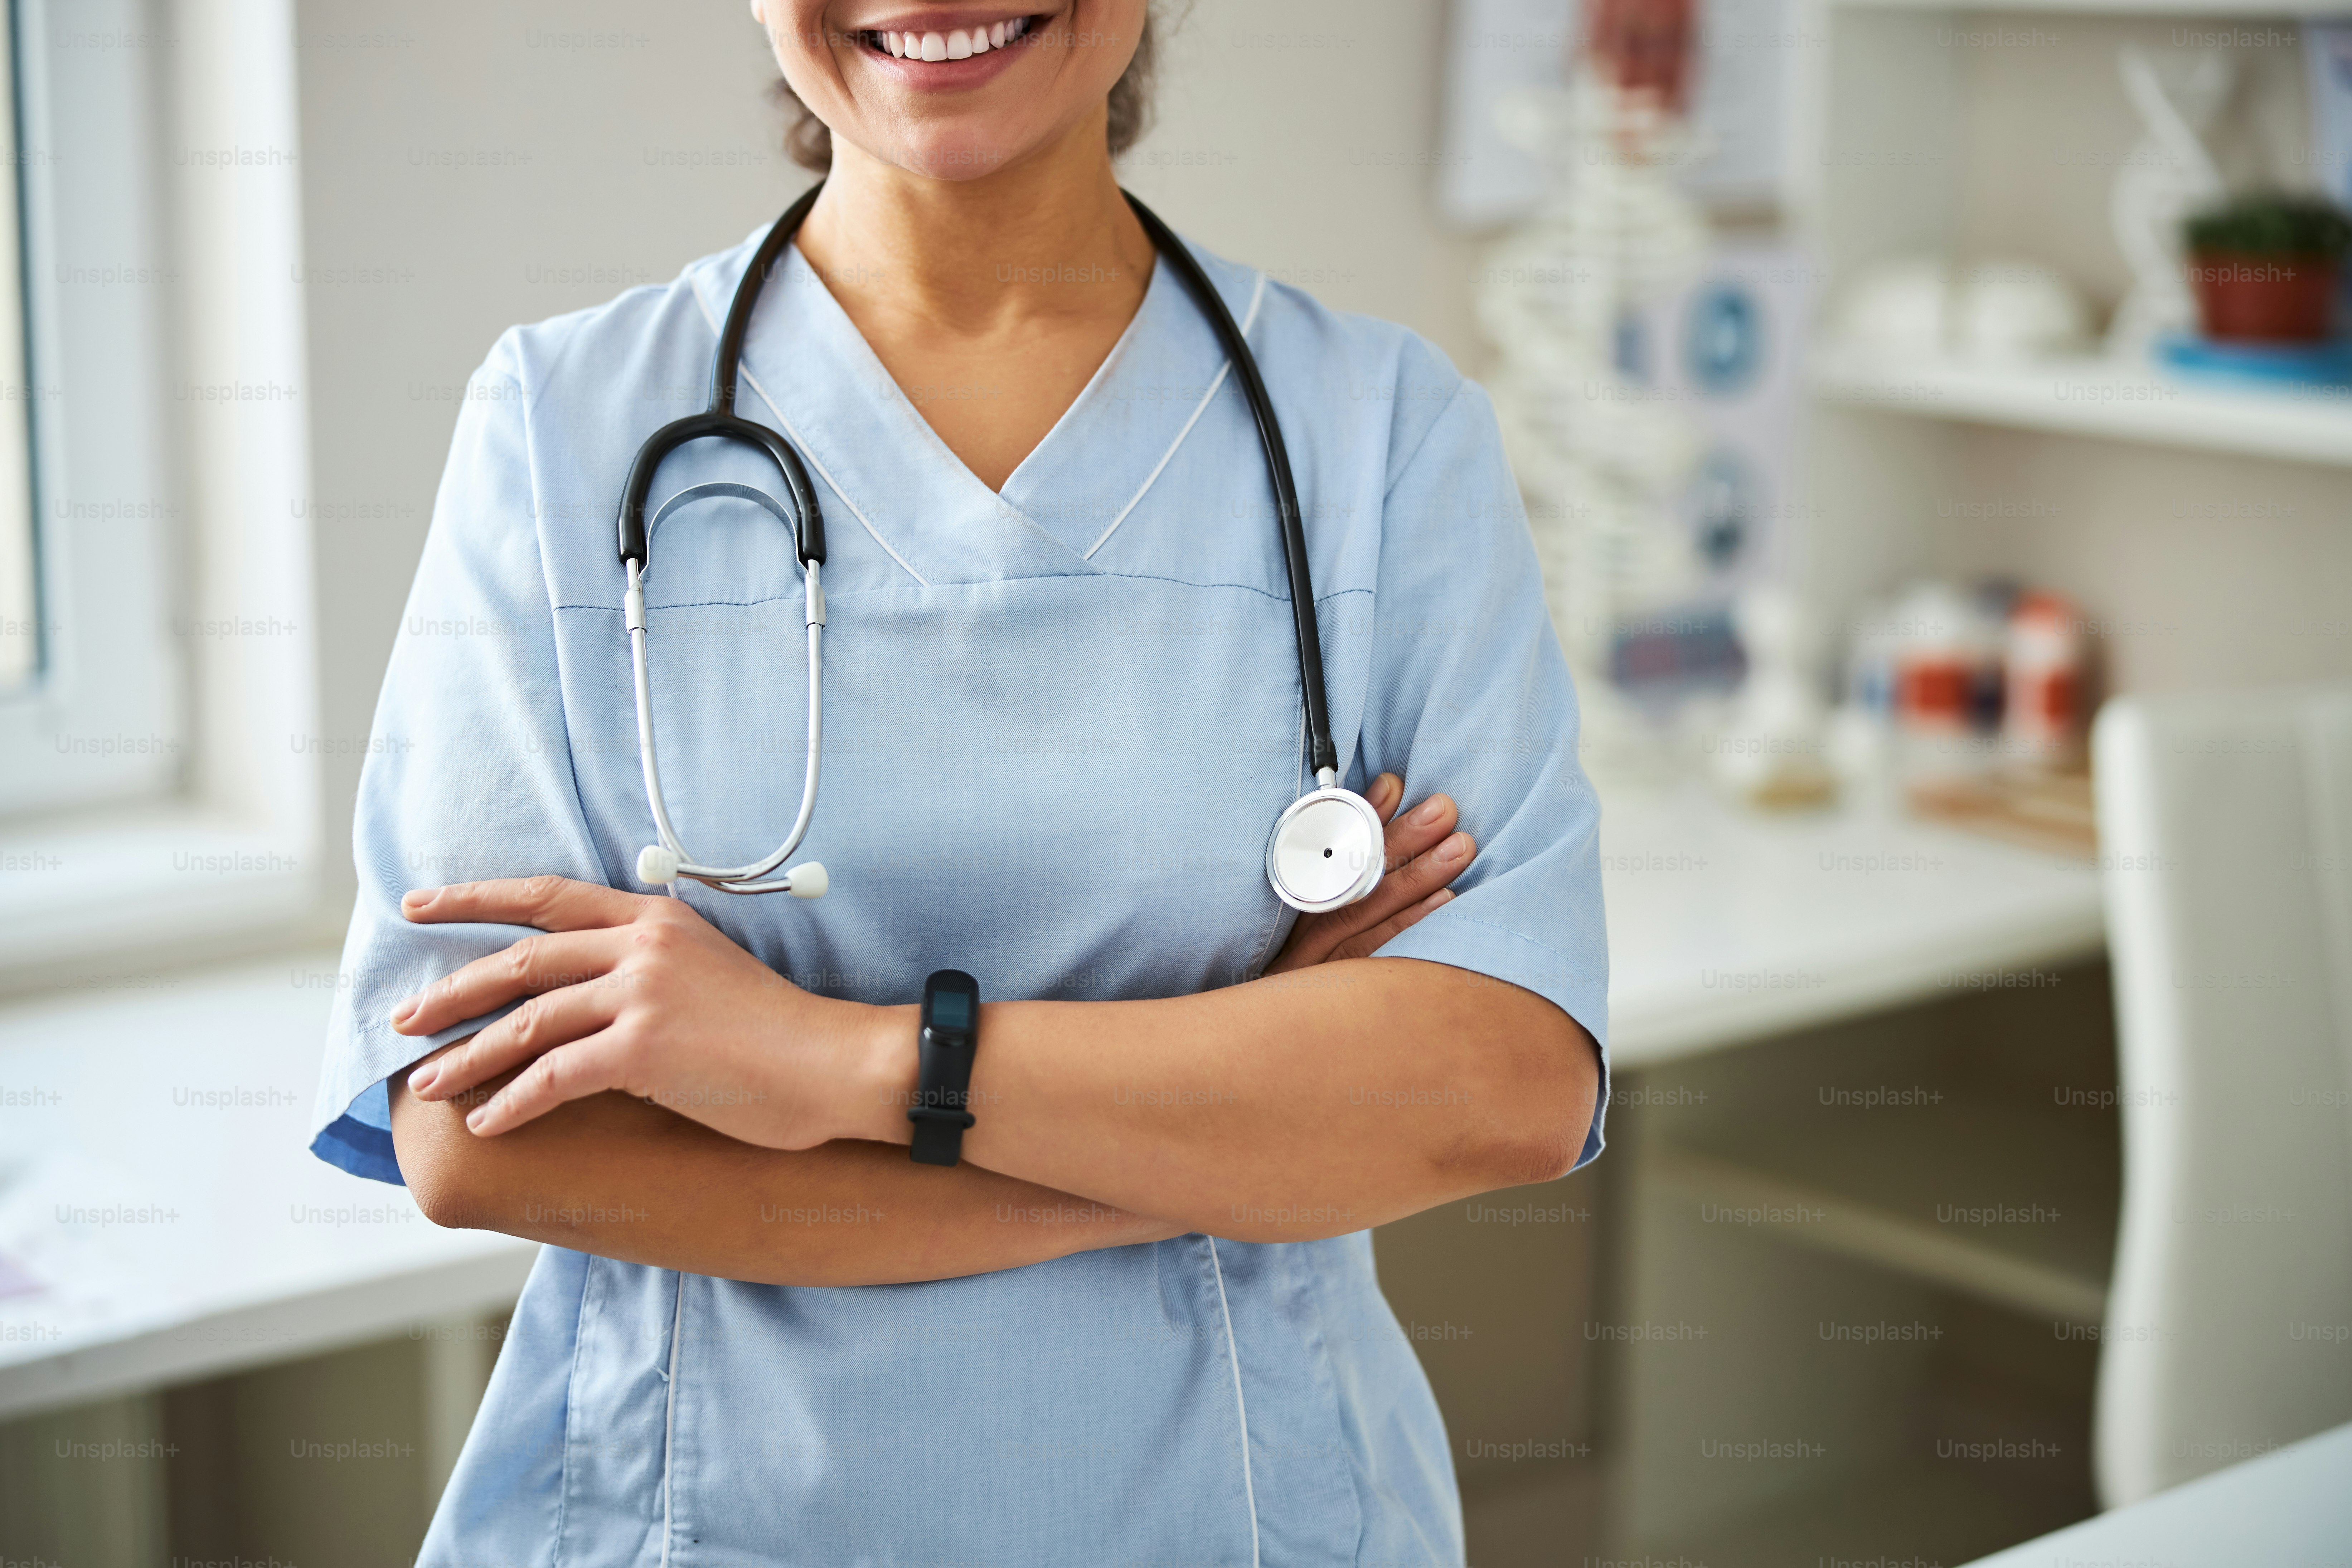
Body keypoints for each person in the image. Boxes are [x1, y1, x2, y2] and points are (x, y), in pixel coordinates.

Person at [308, 3, 1610, 1562]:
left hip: (1240, 1512)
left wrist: (830, 1062)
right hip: (709, 1520)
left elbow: (1504, 1083)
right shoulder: (559, 427)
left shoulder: (1382, 436)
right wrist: (1203, 1146)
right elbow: (481, 1131)